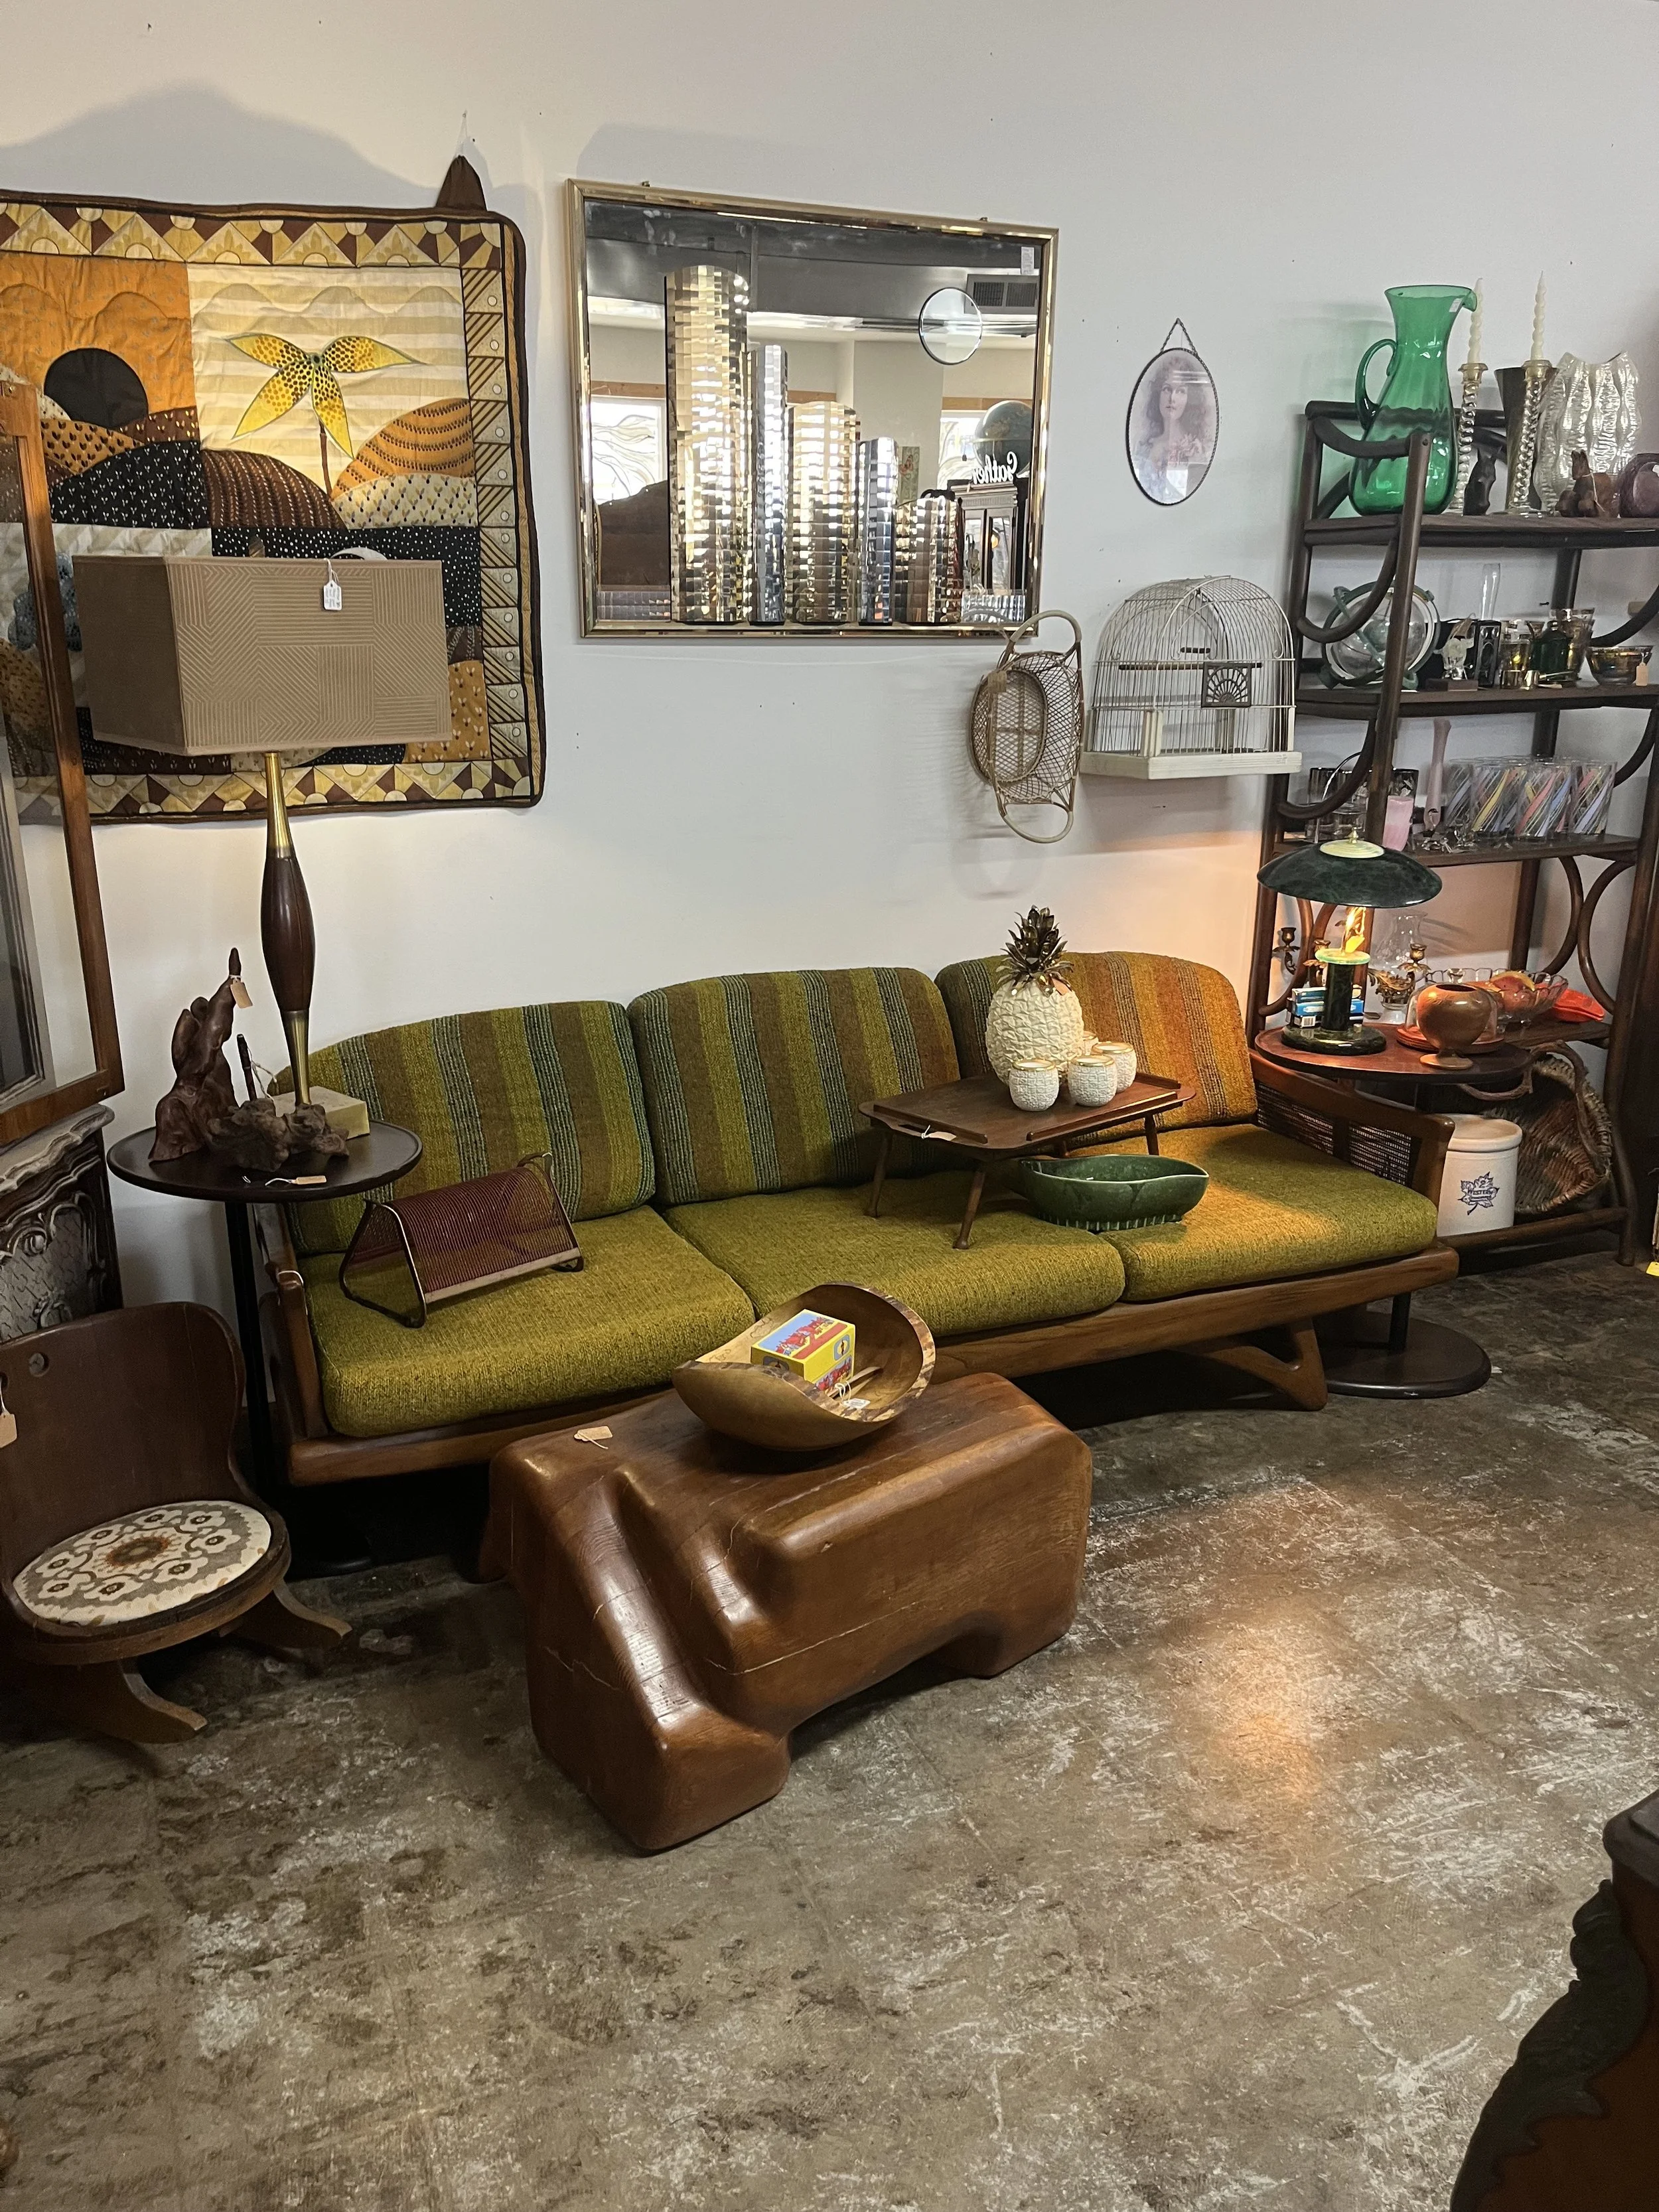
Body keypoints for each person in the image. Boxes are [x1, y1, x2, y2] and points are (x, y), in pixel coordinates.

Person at [1133, 351, 1214, 502]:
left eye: (1181, 391)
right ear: (1158, 394)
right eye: (1167, 389)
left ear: (1190, 399)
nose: (1172, 398)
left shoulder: (1195, 448)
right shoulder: (1144, 446)